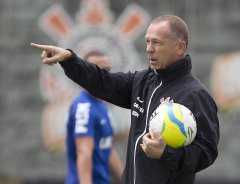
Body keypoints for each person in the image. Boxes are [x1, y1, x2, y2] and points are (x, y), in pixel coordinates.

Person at [31, 14, 220, 184]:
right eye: (147, 42)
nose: (149, 49)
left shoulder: (195, 94)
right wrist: (69, 60)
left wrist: (166, 153)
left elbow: (207, 152)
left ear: (180, 48)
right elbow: (103, 81)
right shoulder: (143, 81)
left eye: (157, 43)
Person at [65, 50, 123, 184]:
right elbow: (84, 153)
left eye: (107, 69)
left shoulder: (102, 105)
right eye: (97, 69)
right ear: (86, 73)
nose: (103, 75)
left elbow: (106, 146)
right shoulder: (84, 108)